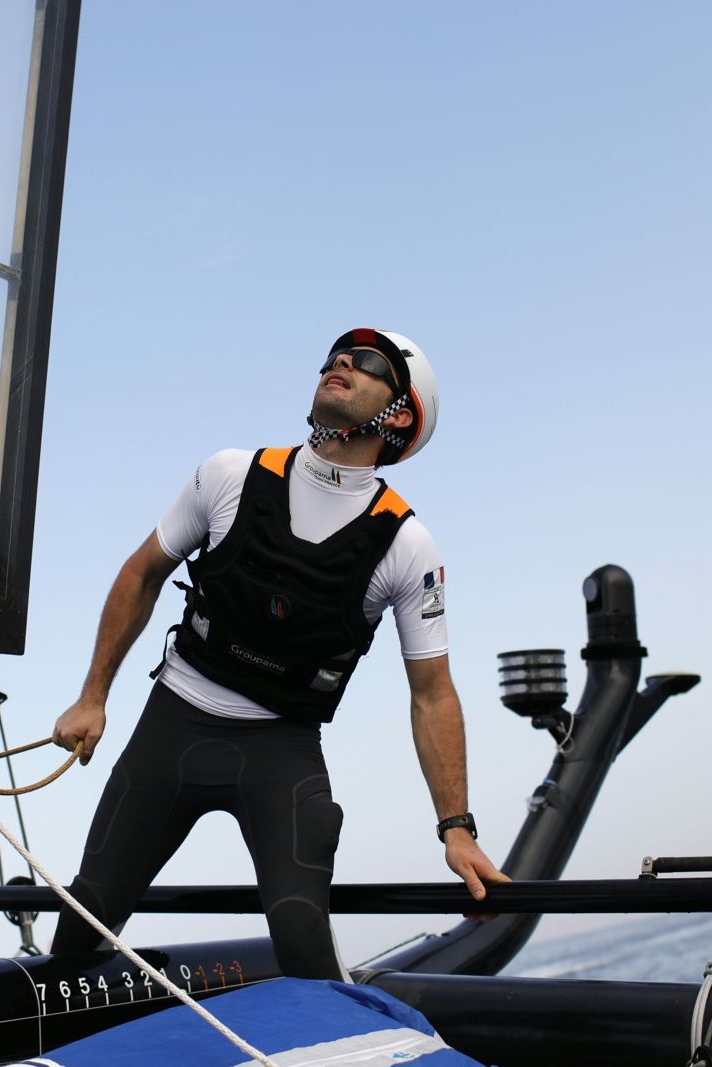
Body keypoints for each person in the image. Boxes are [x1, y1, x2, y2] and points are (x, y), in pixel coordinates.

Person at [50, 327, 507, 979]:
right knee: (85, 919)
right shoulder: (230, 473)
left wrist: (455, 828)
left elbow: (432, 694)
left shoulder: (407, 546)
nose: (341, 361)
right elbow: (141, 572)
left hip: (281, 749)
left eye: (367, 362)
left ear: (400, 414)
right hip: (172, 726)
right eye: (336, 354)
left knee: (300, 933)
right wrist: (92, 696)